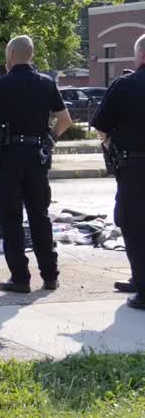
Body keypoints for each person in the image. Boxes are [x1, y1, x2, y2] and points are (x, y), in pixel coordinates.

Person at [0, 35, 72, 294]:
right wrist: (49, 139)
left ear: (9, 55)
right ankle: (50, 276)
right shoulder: (46, 84)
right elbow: (65, 120)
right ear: (31, 55)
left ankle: (20, 278)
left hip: (8, 157)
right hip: (36, 157)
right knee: (40, 217)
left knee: (11, 219)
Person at [90, 33, 145, 309]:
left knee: (133, 224)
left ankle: (143, 288)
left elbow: (100, 122)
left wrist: (110, 141)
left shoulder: (126, 85)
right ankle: (139, 279)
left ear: (141, 55)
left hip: (135, 166)